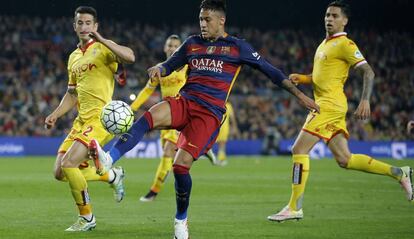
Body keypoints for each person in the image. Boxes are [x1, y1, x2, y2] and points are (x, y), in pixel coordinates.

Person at [88, 0, 319, 238]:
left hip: (209, 113)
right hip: (186, 101)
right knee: (147, 118)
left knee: (179, 167)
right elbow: (170, 65)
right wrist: (159, 68)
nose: (203, 24)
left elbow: (271, 71)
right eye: (200, 19)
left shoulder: (237, 47)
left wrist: (300, 96)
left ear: (221, 20)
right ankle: (109, 158)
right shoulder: (192, 44)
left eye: (207, 19)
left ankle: (180, 220)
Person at [267, 1, 413, 222]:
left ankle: (294, 207)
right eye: (327, 15)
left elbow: (369, 72)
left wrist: (365, 100)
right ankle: (399, 172)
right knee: (345, 159)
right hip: (328, 104)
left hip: (329, 106)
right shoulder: (323, 44)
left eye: (334, 16)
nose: (329, 19)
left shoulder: (345, 43)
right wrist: (304, 78)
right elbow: (322, 79)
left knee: (299, 148)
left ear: (344, 20)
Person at [44, 6, 135, 231]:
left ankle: (87, 218)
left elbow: (130, 56)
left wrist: (103, 40)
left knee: (69, 163)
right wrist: (55, 114)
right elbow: (72, 93)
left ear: (95, 26)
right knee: (59, 172)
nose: (84, 27)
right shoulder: (73, 57)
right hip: (81, 121)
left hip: (101, 118)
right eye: (80, 23)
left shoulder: (103, 48)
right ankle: (111, 176)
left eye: (88, 23)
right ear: (74, 26)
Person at [131, 35, 217, 202]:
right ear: (164, 47)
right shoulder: (160, 69)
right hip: (167, 114)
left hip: (183, 112)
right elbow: (147, 90)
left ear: (180, 48)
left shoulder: (186, 67)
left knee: (168, 152)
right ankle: (203, 148)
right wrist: (132, 108)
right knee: (171, 153)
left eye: (176, 46)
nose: (172, 48)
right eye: (169, 45)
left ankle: (153, 191)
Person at [214, 101, 239, 166]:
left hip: (216, 125)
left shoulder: (217, 102)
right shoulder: (228, 105)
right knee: (222, 144)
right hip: (224, 127)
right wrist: (235, 127)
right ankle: (220, 160)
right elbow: (232, 118)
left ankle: (220, 159)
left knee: (218, 144)